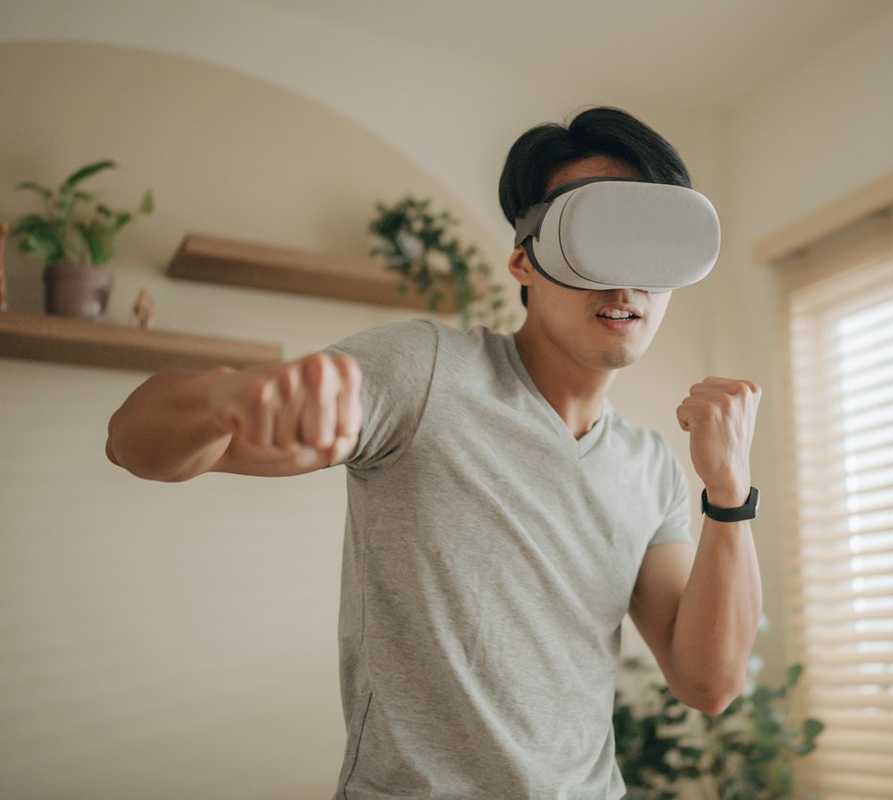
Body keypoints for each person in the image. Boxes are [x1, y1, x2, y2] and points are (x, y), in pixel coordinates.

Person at [105, 105, 763, 799]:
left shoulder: (649, 465)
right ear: (524, 259)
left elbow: (708, 682)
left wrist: (730, 491)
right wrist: (225, 399)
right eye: (593, 235)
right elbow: (132, 443)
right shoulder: (424, 373)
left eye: (648, 242)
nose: (623, 280)